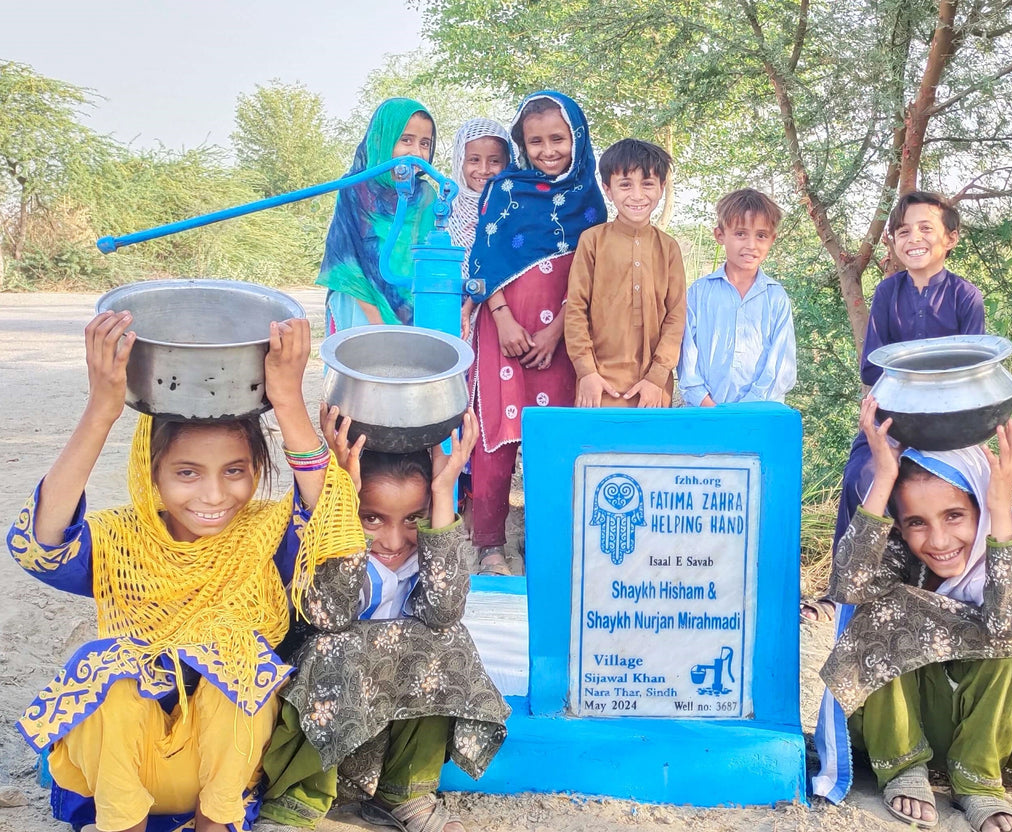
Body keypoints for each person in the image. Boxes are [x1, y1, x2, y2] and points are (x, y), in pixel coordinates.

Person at [6, 310, 365, 832]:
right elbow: (40, 545)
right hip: (120, 770)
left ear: (257, 471)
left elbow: (330, 518)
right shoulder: (121, 540)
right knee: (106, 666)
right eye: (187, 473)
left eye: (235, 472)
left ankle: (212, 826)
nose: (215, 496)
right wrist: (101, 411)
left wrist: (287, 399)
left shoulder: (266, 533)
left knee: (238, 660)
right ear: (150, 475)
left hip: (217, 773)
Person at [259, 411, 509, 832]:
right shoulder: (327, 545)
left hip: (383, 741)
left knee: (446, 638)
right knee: (334, 644)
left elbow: (446, 611)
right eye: (371, 518)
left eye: (413, 518)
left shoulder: (422, 558)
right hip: (318, 737)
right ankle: (295, 805)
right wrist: (341, 506)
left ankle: (404, 793)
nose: (393, 541)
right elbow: (332, 616)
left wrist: (443, 491)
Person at [815, 396, 1012, 832]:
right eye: (916, 522)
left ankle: (978, 783)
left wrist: (1000, 507)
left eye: (955, 516)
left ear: (981, 512)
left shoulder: (1006, 554)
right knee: (883, 606)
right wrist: (885, 474)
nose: (939, 539)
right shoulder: (906, 560)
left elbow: (1005, 627)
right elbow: (849, 586)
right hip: (910, 723)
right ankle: (903, 765)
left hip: (990, 735)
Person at [801, 191, 986, 624]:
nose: (914, 238)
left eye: (927, 228)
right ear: (893, 241)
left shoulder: (965, 296)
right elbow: (873, 367)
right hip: (894, 419)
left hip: (950, 427)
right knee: (862, 475)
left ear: (951, 238)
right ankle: (844, 591)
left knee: (964, 488)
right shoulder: (887, 292)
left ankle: (961, 587)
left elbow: (973, 371)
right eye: (904, 231)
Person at [465, 90, 606, 575]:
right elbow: (482, 259)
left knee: (552, 439)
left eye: (558, 139)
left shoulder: (590, 198)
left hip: (563, 340)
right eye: (536, 141)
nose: (548, 151)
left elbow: (592, 274)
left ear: (577, 137)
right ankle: (489, 546)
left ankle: (546, 544)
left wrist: (559, 334)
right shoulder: (503, 190)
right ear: (523, 144)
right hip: (503, 332)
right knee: (495, 437)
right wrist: (503, 318)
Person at [564, 138, 686, 408]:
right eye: (625, 184)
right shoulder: (593, 241)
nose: (637, 195)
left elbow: (676, 318)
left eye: (648, 183)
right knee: (596, 450)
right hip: (598, 385)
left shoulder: (668, 248)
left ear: (662, 188)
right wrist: (586, 372)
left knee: (650, 450)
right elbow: (576, 309)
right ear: (608, 189)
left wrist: (657, 377)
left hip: (652, 390)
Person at [317, 98, 437, 330]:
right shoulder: (354, 188)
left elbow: (428, 259)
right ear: (381, 140)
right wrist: (378, 324)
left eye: (425, 144)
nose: (416, 152)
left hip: (412, 311)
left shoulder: (426, 196)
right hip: (358, 304)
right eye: (406, 140)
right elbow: (344, 260)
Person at [677, 187, 796, 408]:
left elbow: (781, 365)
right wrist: (708, 407)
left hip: (758, 418)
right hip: (705, 416)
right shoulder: (699, 293)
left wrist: (745, 413)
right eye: (740, 234)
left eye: (761, 236)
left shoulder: (776, 297)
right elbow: (687, 357)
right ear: (720, 235)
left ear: (772, 239)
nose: (751, 245)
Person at [448, 117, 514, 339]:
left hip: (503, 317)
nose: (484, 170)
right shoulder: (445, 206)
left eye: (494, 161)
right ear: (460, 161)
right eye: (474, 160)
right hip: (451, 313)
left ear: (508, 163)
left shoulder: (513, 208)